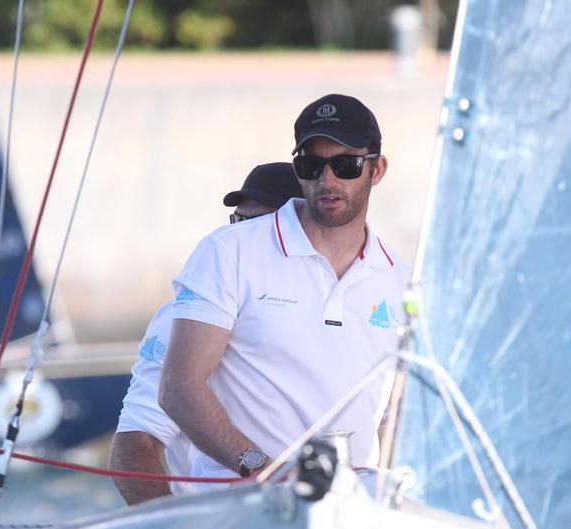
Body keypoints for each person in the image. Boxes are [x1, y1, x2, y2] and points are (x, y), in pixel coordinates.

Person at [158, 93, 409, 489]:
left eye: (345, 165)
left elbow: (402, 416)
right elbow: (177, 387)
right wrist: (262, 468)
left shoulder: (401, 280)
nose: (327, 181)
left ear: (376, 170)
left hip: (353, 515)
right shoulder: (228, 251)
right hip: (241, 508)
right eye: (311, 165)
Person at [110, 162, 304, 505]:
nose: (237, 236)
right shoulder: (184, 317)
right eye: (236, 223)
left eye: (255, 226)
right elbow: (134, 447)